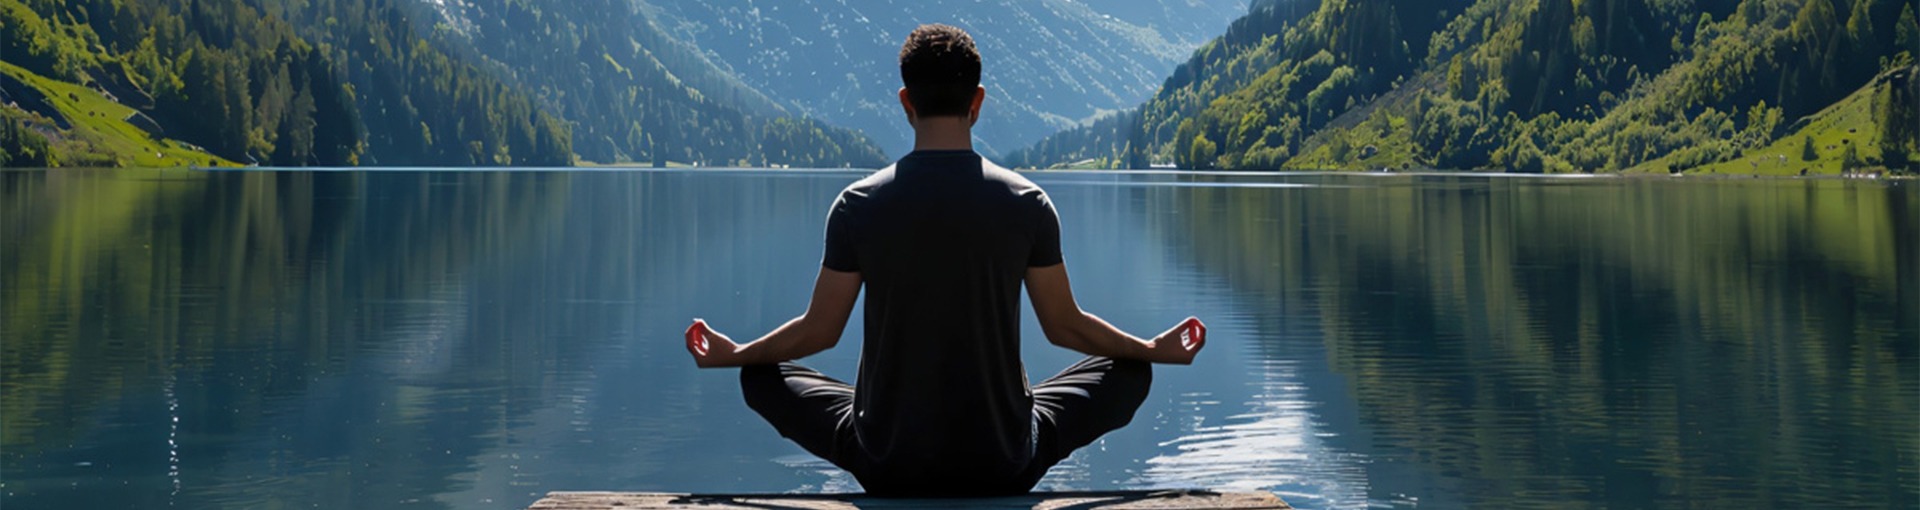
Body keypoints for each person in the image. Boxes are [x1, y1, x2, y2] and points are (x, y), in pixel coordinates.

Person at [683, 24, 1206, 497]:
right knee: (1131, 372)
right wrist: (1151, 348)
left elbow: (819, 332)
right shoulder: (1027, 203)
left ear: (905, 101)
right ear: (978, 101)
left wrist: (738, 353)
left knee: (759, 375)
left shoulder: (858, 205)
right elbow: (1064, 327)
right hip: (1004, 461)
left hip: (888, 462)